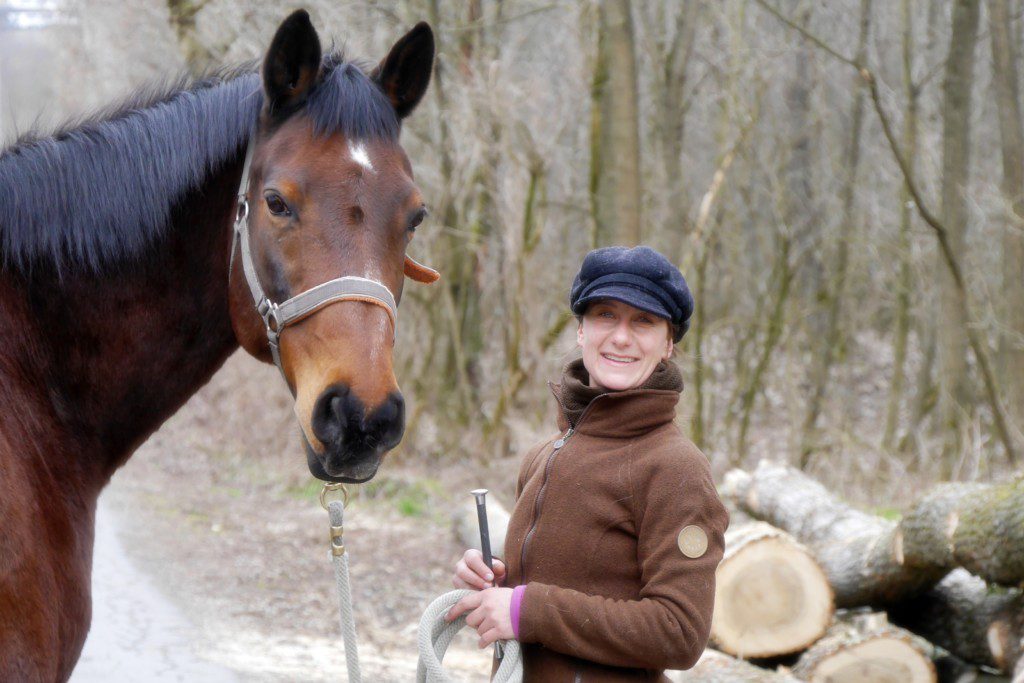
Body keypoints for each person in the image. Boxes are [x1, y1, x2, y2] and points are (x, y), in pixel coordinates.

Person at [445, 245, 729, 681]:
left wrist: (527, 610)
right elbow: (556, 602)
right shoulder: (543, 455)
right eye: (605, 315)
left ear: (668, 344)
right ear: (581, 330)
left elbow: (681, 631)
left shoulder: (675, 468)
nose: (620, 336)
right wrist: (497, 587)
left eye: (644, 322)